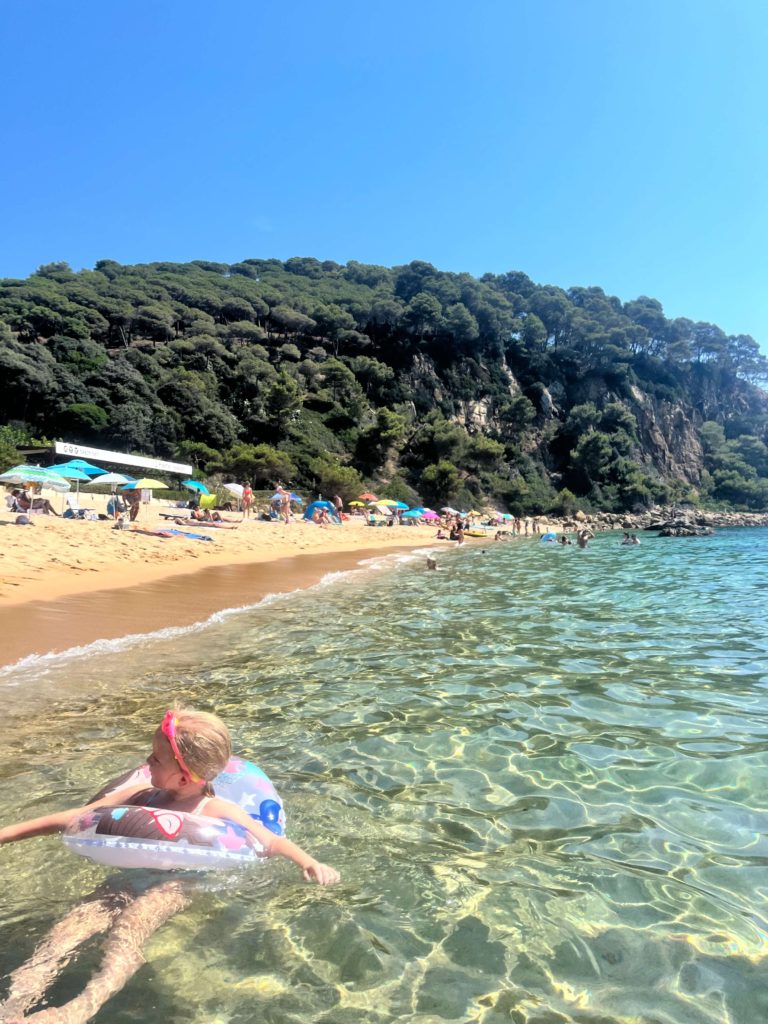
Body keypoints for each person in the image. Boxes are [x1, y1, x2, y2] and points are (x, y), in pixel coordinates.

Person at [0, 708, 339, 1023]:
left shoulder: (216, 810)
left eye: (156, 758)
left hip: (179, 884)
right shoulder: (141, 792)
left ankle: (81, 1005)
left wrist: (308, 862)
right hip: (129, 877)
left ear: (181, 779)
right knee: (68, 928)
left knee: (129, 929)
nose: (146, 761)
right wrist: (8, 833)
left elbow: (269, 841)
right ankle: (14, 1004)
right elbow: (77, 817)